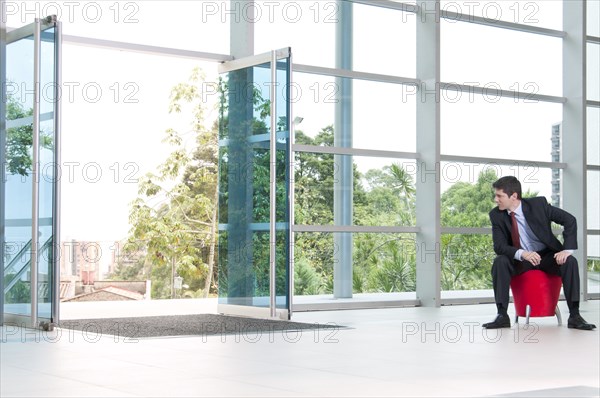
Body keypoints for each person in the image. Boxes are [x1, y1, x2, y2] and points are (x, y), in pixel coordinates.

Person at [483, 176, 596, 330]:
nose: (496, 199)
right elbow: (500, 246)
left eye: (499, 196)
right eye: (495, 195)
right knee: (500, 261)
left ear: (514, 196)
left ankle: (575, 316)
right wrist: (523, 253)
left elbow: (570, 220)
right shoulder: (496, 215)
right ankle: (502, 315)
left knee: (570, 262)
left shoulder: (538, 205)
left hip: (547, 256)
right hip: (521, 260)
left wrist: (567, 250)